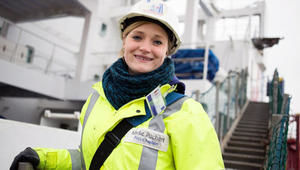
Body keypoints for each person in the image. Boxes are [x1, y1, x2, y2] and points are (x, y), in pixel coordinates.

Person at [10, 0, 224, 169]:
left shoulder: (186, 112)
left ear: (168, 51)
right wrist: (43, 159)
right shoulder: (98, 97)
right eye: (137, 37)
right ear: (124, 40)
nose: (145, 47)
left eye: (157, 41)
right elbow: (90, 160)